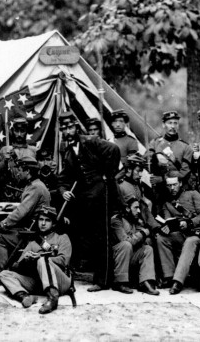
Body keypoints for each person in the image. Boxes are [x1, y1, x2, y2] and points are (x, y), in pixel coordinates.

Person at [57, 111, 120, 291]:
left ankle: (104, 281)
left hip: (103, 194)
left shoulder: (90, 141)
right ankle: (90, 274)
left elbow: (114, 150)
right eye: (63, 128)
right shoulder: (68, 153)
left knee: (104, 236)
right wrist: (63, 192)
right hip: (87, 200)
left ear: (76, 127)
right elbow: (63, 179)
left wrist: (107, 175)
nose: (67, 131)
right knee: (90, 236)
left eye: (69, 127)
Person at [0, 206, 73, 314]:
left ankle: (53, 298)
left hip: (61, 282)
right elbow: (16, 266)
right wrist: (26, 260)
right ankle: (25, 296)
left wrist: (42, 258)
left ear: (53, 224)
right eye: (41, 220)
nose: (43, 223)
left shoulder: (62, 238)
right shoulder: (32, 243)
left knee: (42, 260)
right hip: (39, 283)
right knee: (4, 274)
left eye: (47, 220)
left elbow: (63, 261)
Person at [117, 154, 173, 288]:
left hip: (138, 223)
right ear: (129, 170)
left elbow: (144, 209)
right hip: (125, 226)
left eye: (141, 170)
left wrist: (155, 226)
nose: (140, 174)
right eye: (137, 170)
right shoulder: (121, 186)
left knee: (154, 238)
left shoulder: (138, 186)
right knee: (146, 241)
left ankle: (151, 277)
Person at [0, 156, 51, 275]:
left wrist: (0, 226)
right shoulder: (36, 185)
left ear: (27, 171)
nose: (17, 173)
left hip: (31, 235)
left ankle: (2, 274)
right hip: (31, 230)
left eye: (19, 170)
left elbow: (20, 213)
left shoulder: (35, 187)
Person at [159, 172, 200, 295]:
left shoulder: (193, 194)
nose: (172, 188)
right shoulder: (167, 203)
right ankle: (169, 276)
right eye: (169, 185)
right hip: (180, 234)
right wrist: (166, 227)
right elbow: (168, 221)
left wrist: (190, 222)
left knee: (190, 241)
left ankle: (178, 281)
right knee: (161, 238)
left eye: (175, 185)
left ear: (180, 183)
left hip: (196, 234)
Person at [110, 198, 160, 295]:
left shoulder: (134, 220)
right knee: (126, 244)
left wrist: (146, 232)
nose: (139, 211)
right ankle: (120, 282)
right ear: (128, 208)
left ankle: (145, 281)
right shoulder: (116, 220)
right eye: (136, 208)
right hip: (115, 259)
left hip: (129, 256)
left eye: (139, 208)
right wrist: (143, 233)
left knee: (147, 249)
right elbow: (126, 240)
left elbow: (142, 234)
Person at [148, 110, 194, 198]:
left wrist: (163, 179)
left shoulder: (185, 147)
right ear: (163, 124)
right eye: (169, 123)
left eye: (175, 123)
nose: (173, 126)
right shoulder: (154, 143)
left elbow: (184, 174)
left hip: (178, 193)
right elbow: (147, 164)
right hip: (158, 192)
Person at [0, 116, 38, 201]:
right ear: (13, 131)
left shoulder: (34, 151)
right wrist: (5, 161)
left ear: (26, 132)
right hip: (9, 195)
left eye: (22, 131)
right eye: (17, 131)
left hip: (30, 194)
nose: (19, 134)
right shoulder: (5, 150)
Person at [109, 109, 139, 174]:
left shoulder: (131, 141)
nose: (117, 125)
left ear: (125, 123)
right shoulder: (108, 141)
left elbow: (132, 165)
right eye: (115, 121)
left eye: (121, 121)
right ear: (111, 124)